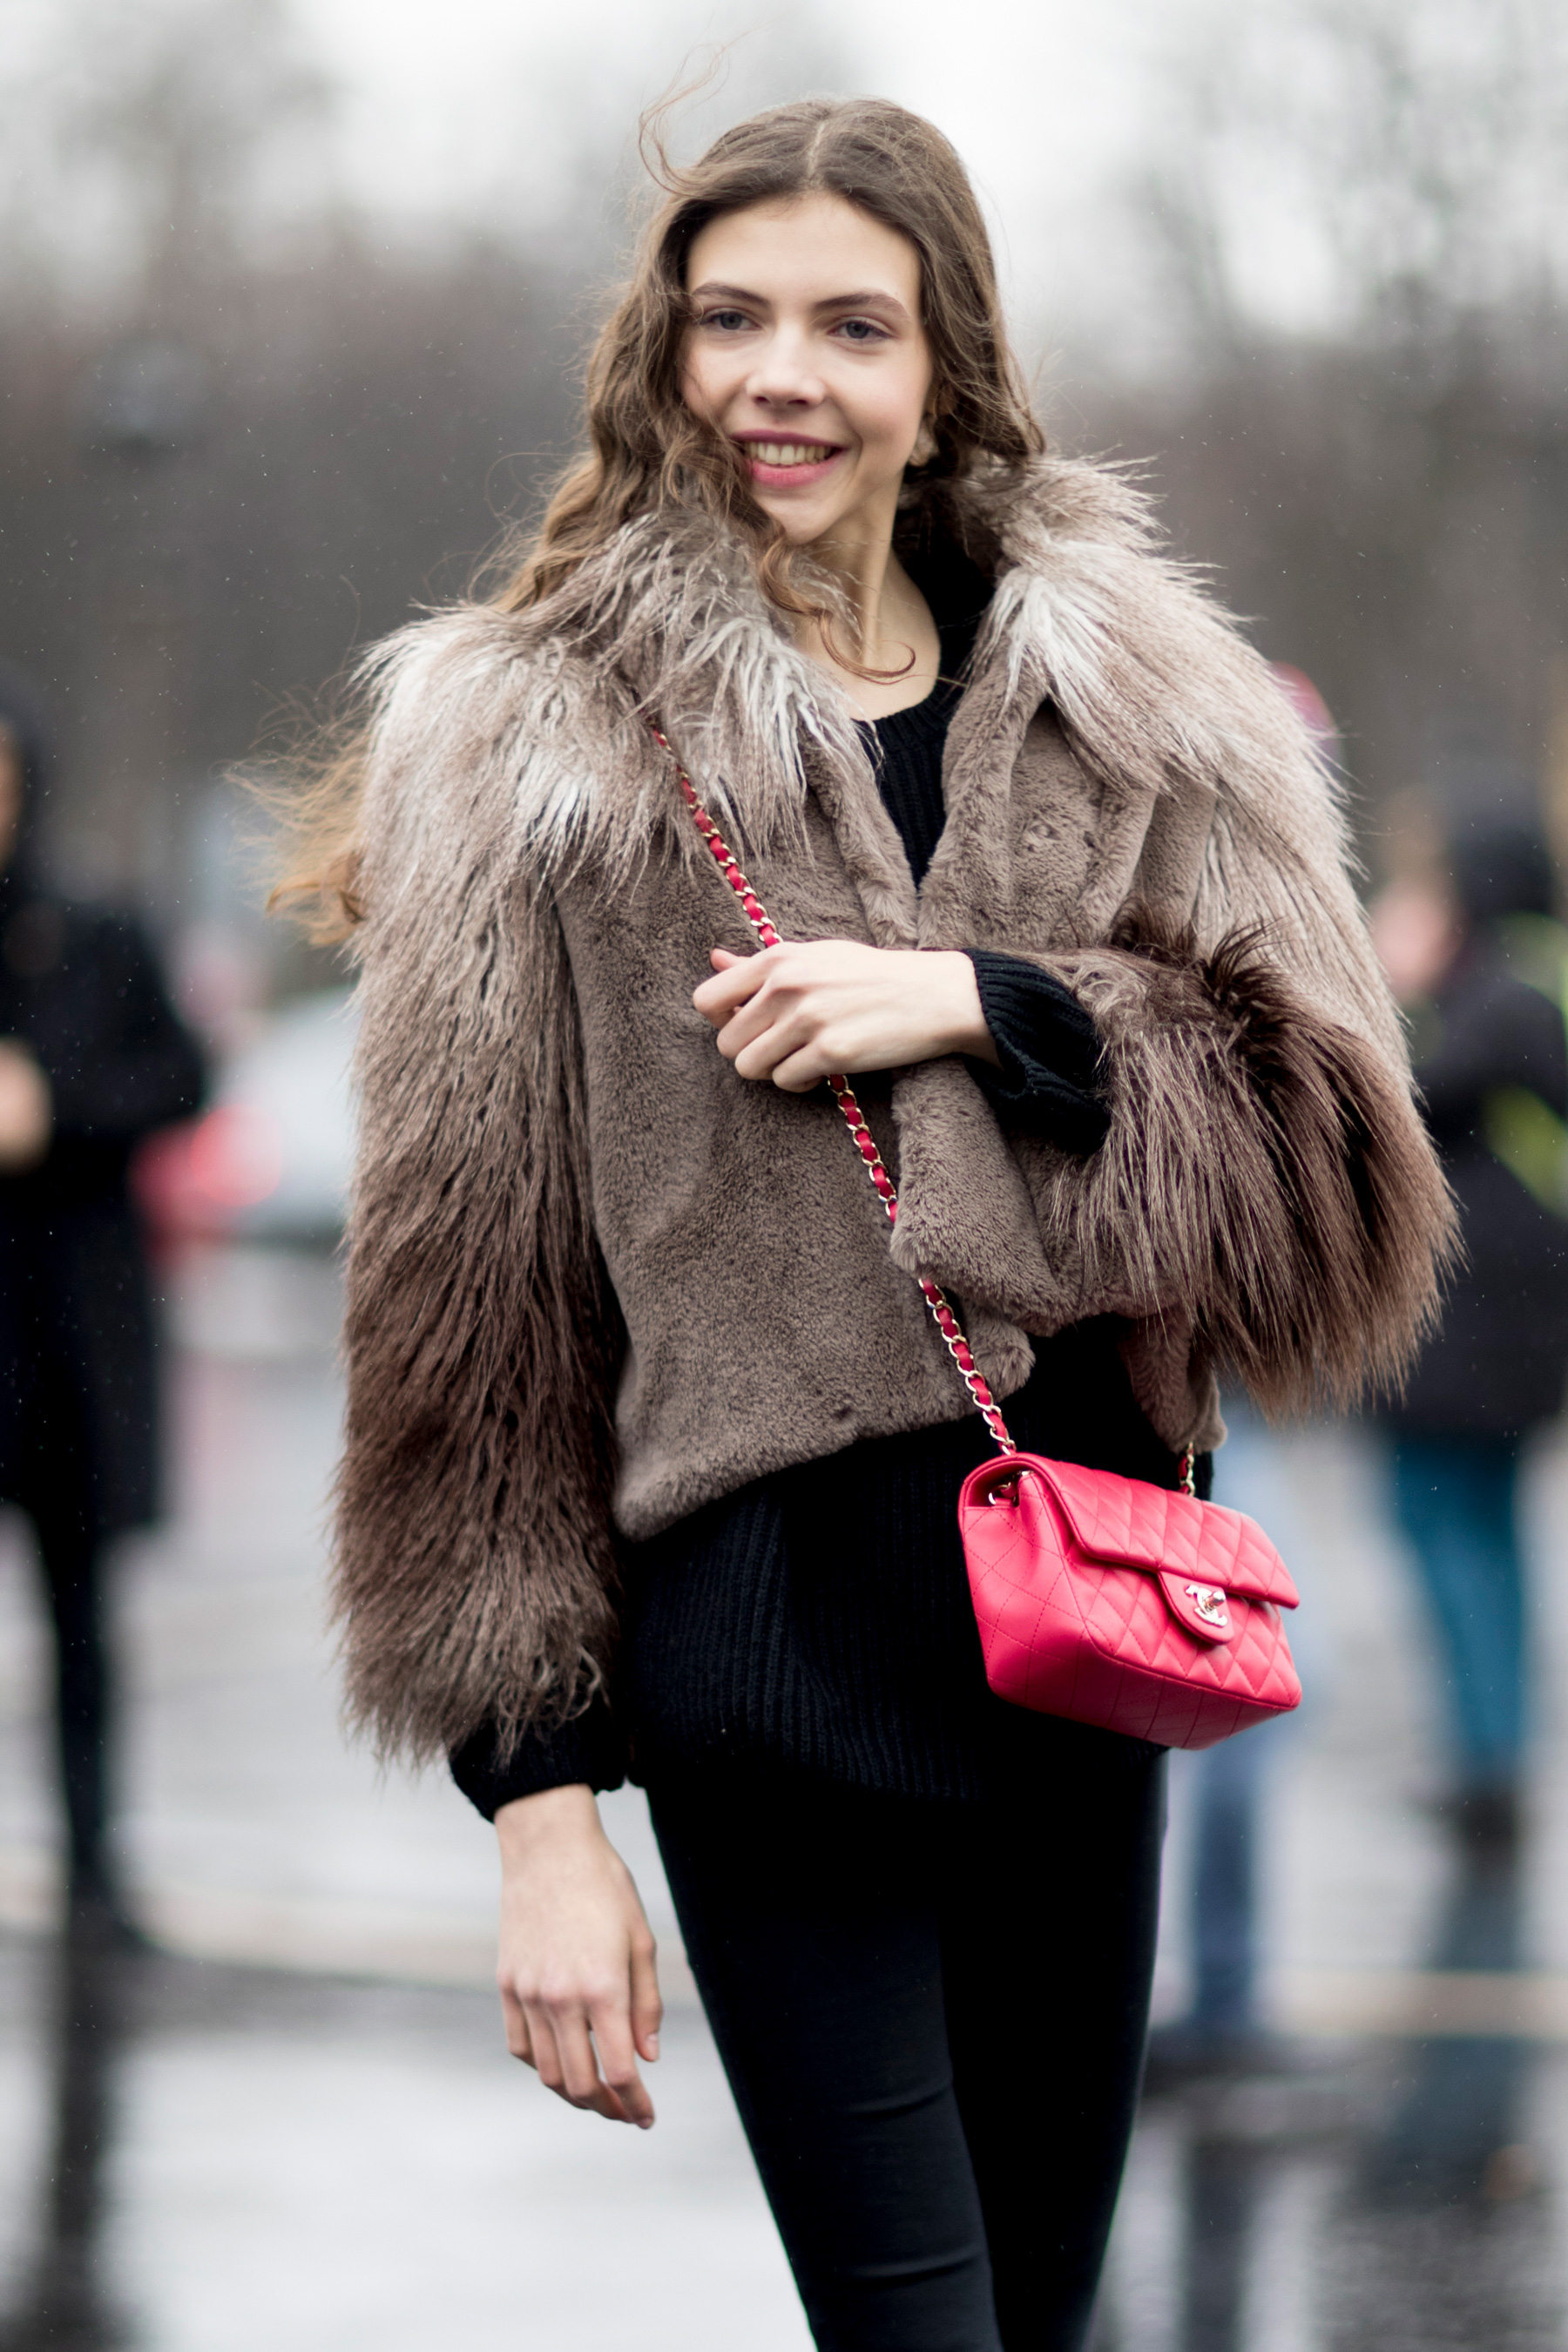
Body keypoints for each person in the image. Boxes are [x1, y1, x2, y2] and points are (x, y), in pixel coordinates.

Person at [279, 102, 1452, 2351]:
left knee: (1042, 2314)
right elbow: (470, 1301)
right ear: (663, 350)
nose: (779, 377)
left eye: (849, 325)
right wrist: (537, 1804)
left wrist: (997, 1009)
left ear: (946, 369)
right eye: (730, 319)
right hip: (769, 1651)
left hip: (1084, 1631)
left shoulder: (1141, 704)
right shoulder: (529, 737)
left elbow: (1345, 1182)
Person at [0, 667, 206, 1937]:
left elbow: (181, 1077)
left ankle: (95, 1873)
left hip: (68, 1343)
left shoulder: (95, 929)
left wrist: (54, 1110)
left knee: (82, 1624)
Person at [1372, 821, 1568, 1851]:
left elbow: (1397, 1105)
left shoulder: (1500, 998)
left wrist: (1393, 988)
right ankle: (1491, 1754)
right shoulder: (1533, 987)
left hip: (1466, 1349)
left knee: (1449, 1535)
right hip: (1509, 1342)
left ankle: (1487, 1765)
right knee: (1487, 1541)